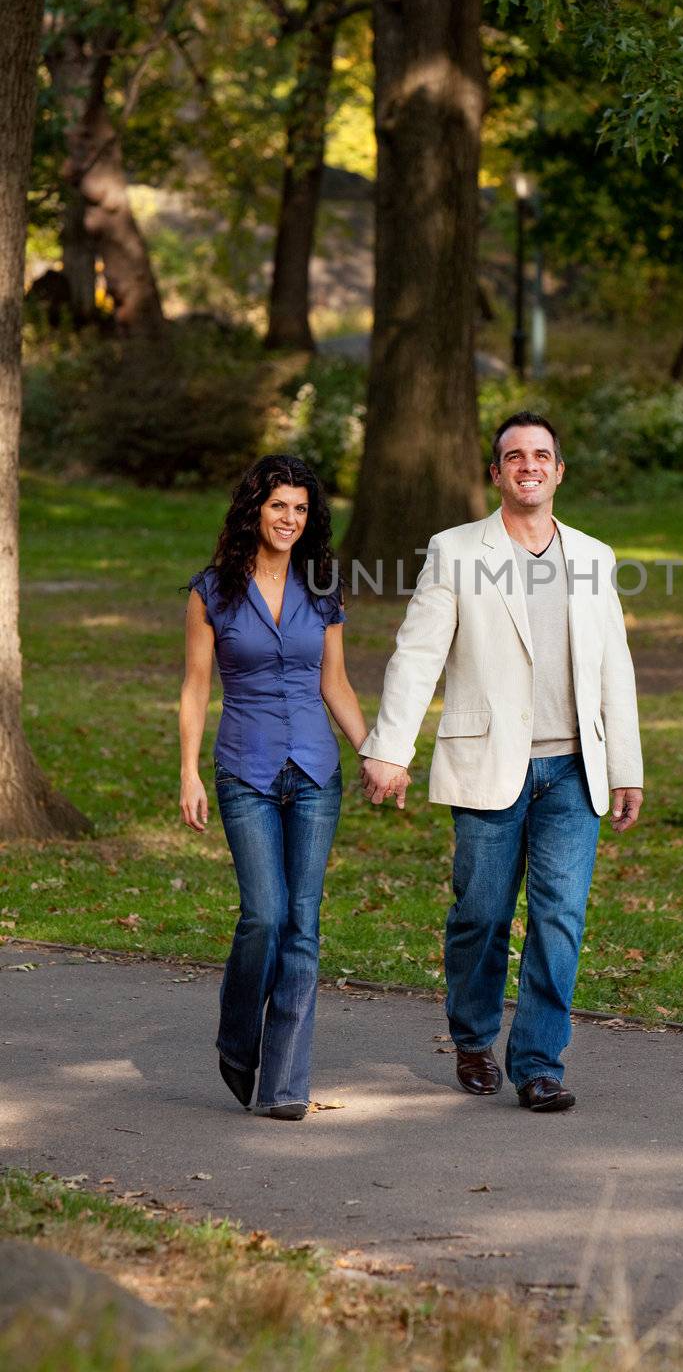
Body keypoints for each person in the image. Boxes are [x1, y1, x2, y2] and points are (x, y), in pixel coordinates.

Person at [360, 412, 643, 1113]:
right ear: (495, 473)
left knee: (559, 918)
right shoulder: (455, 551)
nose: (528, 466)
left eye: (541, 455)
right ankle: (473, 1035)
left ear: (559, 471)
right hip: (488, 764)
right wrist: (391, 750)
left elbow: (614, 667)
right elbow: (418, 653)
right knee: (481, 915)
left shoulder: (592, 556)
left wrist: (625, 766)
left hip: (573, 772)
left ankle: (539, 1062)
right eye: (513, 456)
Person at [179, 454, 368, 1120]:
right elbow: (197, 689)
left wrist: (372, 752)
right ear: (254, 510)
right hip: (245, 770)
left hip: (315, 771)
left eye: (300, 508)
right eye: (277, 506)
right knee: (265, 914)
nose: (289, 519)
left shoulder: (323, 588)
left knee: (304, 925)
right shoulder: (211, 592)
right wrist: (188, 772)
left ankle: (285, 1083)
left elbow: (334, 684)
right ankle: (237, 1038)